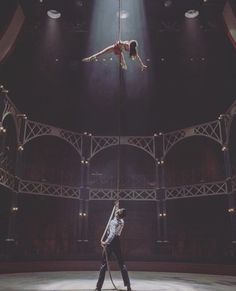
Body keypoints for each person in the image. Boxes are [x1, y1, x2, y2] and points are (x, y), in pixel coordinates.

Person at [95, 206, 131, 291]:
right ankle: (128, 285)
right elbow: (118, 212)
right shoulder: (122, 221)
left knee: (103, 265)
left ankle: (98, 287)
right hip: (117, 242)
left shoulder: (113, 222)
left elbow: (112, 234)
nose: (116, 211)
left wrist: (105, 242)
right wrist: (116, 205)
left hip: (111, 242)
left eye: (117, 211)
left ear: (117, 214)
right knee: (122, 264)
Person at [82, 40, 147, 71]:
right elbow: (138, 58)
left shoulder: (128, 45)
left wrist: (120, 42)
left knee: (102, 53)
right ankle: (90, 58)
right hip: (116, 49)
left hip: (116, 49)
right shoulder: (130, 47)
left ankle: (90, 58)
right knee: (121, 59)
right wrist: (142, 65)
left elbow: (137, 57)